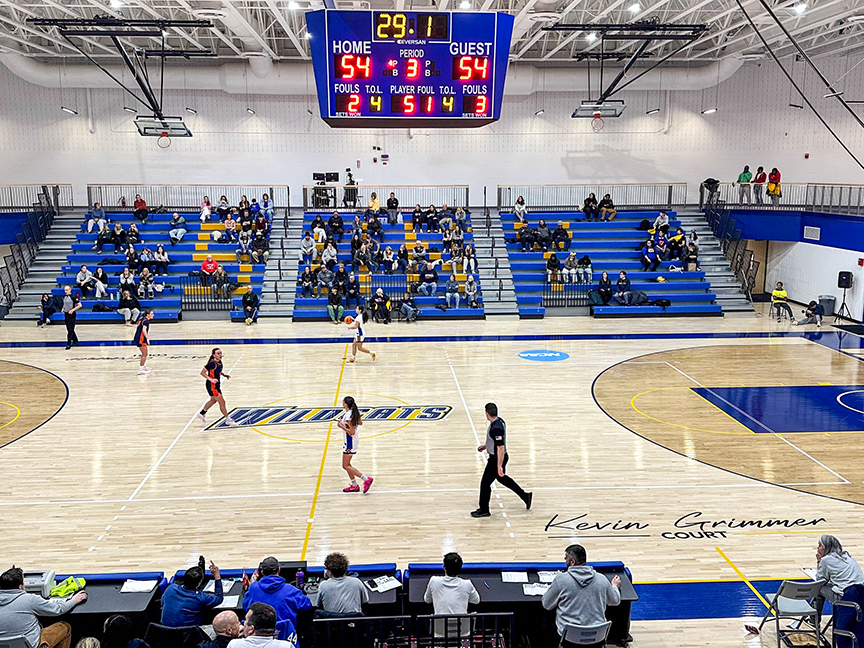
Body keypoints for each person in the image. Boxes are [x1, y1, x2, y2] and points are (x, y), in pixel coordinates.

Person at [541, 544, 621, 647]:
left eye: (566, 558)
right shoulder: (602, 579)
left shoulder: (561, 580)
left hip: (569, 640)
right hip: (596, 640)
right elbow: (615, 600)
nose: (565, 560)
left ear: (572, 562)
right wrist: (614, 586)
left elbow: (546, 604)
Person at [0, 565, 88, 648]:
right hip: (30, 646)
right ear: (20, 586)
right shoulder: (29, 600)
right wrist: (74, 600)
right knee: (65, 627)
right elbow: (58, 609)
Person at [471, 402, 532, 518]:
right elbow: (497, 442)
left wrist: (499, 466)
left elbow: (500, 447)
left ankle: (484, 509)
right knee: (502, 479)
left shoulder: (496, 428)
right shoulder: (500, 421)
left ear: (487, 414)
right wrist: (486, 446)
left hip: (497, 459)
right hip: (499, 456)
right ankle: (525, 496)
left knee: (485, 484)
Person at [814, 535, 864, 648]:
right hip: (860, 594)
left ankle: (815, 619)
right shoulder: (847, 556)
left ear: (827, 547)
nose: (817, 548)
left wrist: (818, 561)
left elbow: (820, 580)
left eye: (820, 545)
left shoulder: (825, 560)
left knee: (818, 589)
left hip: (845, 597)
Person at [243, 557, 312, 634]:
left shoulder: (253, 588)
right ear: (279, 570)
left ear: (262, 572)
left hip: (258, 635)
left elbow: (245, 606)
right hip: (284, 635)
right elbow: (307, 605)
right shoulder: (290, 590)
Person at [161, 560, 224, 627]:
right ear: (199, 584)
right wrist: (217, 576)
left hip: (165, 633)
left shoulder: (171, 588)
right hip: (189, 635)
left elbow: (162, 602)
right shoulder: (200, 598)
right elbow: (219, 598)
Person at [424, 551, 480, 621]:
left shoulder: (433, 581)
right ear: (460, 568)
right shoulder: (467, 584)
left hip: (439, 631)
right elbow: (476, 600)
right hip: (463, 631)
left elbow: (427, 600)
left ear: (444, 567)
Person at [337, 396, 374, 492]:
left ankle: (366, 479)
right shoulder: (353, 412)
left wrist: (341, 426)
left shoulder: (349, 414)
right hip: (352, 440)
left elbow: (351, 431)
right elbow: (360, 423)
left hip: (350, 441)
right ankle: (354, 485)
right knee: (347, 464)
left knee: (345, 465)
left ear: (345, 404)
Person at [197, 348, 238, 426]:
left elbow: (218, 370)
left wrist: (223, 374)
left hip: (216, 384)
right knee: (222, 402)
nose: (220, 355)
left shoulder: (219, 362)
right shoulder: (212, 363)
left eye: (220, 353)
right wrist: (211, 379)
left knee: (213, 400)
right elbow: (202, 372)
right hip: (212, 385)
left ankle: (202, 413)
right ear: (213, 355)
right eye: (218, 353)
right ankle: (228, 419)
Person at [229, 603, 296, 648]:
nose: (243, 624)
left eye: (246, 620)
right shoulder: (287, 646)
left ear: (251, 629)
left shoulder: (234, 645)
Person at [61, 285, 81, 349]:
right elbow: (65, 304)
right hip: (66, 314)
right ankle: (75, 340)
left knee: (70, 329)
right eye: (65, 290)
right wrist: (63, 308)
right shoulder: (64, 297)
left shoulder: (73, 297)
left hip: (72, 314)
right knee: (69, 329)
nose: (65, 291)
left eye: (67, 290)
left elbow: (79, 305)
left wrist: (72, 310)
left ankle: (69, 343)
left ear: (70, 290)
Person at [135, 310, 154, 375]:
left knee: (144, 353)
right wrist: (147, 338)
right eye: (151, 314)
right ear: (147, 315)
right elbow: (144, 330)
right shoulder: (146, 321)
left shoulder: (142, 319)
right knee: (145, 354)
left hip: (138, 338)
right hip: (141, 339)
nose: (153, 315)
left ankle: (144, 366)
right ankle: (141, 369)